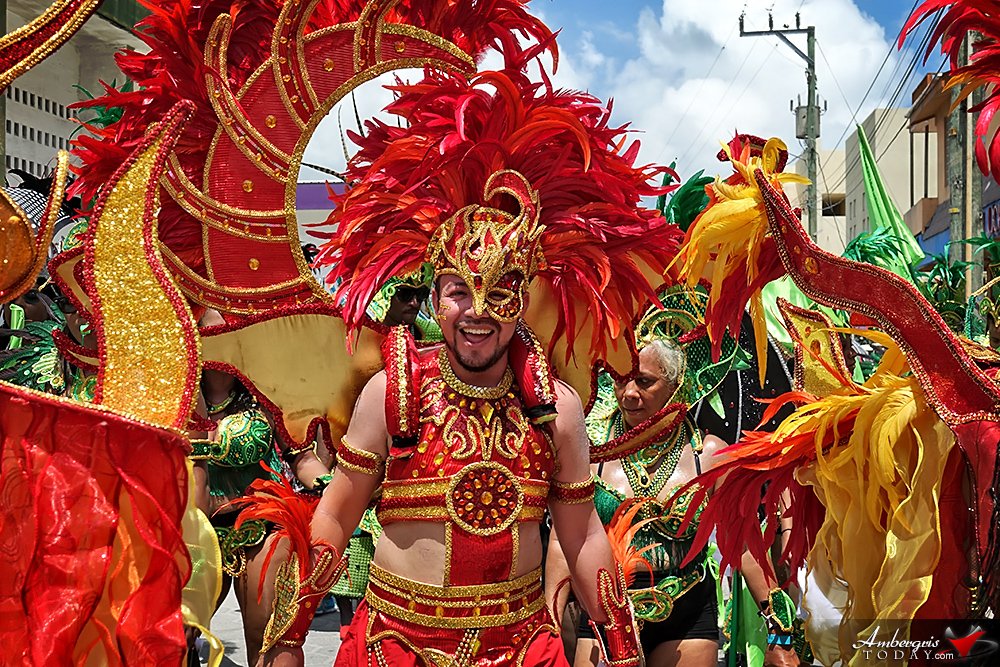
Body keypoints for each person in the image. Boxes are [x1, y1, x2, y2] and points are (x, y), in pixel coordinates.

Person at [546, 287, 737, 667]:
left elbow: (741, 542)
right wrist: (550, 617)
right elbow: (562, 540)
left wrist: (779, 623)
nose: (629, 393)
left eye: (644, 382)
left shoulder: (709, 454)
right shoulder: (591, 450)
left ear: (677, 383)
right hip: (605, 611)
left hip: (687, 612)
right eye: (620, 379)